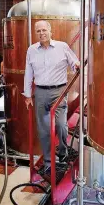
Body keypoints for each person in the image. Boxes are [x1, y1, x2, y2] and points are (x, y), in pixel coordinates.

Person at [23, 20, 80, 173]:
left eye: (44, 30)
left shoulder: (62, 47)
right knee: (44, 129)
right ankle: (48, 162)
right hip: (40, 93)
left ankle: (62, 152)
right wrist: (27, 95)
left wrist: (77, 65)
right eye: (38, 31)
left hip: (59, 92)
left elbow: (74, 61)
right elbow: (28, 73)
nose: (41, 33)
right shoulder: (32, 50)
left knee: (61, 126)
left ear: (50, 31)